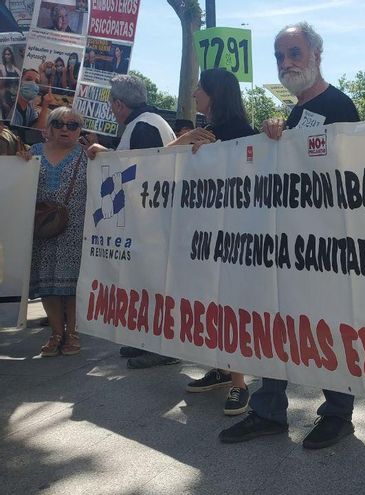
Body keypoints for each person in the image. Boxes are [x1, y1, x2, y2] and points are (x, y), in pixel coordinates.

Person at [218, 22, 360, 449]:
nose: (286, 63)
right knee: (274, 322)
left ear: (317, 54)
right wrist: (273, 139)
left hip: (325, 246)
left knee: (326, 327)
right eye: (280, 57)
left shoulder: (340, 106)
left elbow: (349, 176)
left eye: (295, 53)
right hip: (285, 245)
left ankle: (338, 415)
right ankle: (268, 411)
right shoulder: (296, 112)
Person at [170, 68, 255, 416]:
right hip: (204, 236)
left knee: (229, 304)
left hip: (234, 237)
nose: (195, 96)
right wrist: (181, 143)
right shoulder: (200, 134)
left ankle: (239, 384)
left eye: (200, 90)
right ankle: (222, 368)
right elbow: (156, 168)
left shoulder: (241, 135)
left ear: (214, 94)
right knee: (212, 303)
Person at [86, 75, 178, 368]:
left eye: (111, 103)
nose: (111, 109)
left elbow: (141, 174)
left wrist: (106, 155)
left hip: (152, 223)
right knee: (146, 281)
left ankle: (163, 347)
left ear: (118, 103)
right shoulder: (147, 123)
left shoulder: (143, 126)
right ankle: (148, 340)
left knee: (154, 282)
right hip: (151, 221)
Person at [21, 107, 87, 357]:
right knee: (47, 285)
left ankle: (72, 333)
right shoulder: (32, 154)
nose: (65, 129)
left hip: (75, 232)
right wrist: (20, 163)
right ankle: (56, 333)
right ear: (48, 128)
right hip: (42, 231)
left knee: (71, 287)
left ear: (80, 131)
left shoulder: (88, 156)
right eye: (59, 123)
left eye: (73, 125)